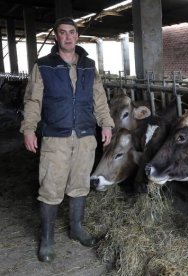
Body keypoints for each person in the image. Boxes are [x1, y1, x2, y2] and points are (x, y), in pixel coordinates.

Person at [20, 17, 114, 262]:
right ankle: (47, 239)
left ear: (77, 36)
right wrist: (28, 129)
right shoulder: (44, 66)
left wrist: (106, 124)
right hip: (55, 138)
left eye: (72, 32)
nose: (68, 37)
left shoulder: (89, 66)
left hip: (85, 136)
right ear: (56, 37)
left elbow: (99, 98)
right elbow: (33, 101)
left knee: (80, 185)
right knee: (50, 188)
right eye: (63, 33)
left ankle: (76, 228)